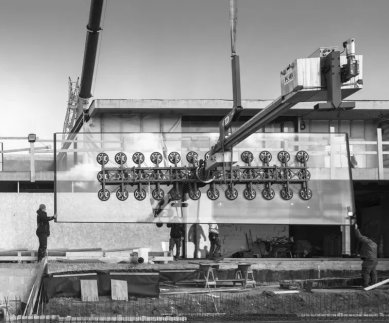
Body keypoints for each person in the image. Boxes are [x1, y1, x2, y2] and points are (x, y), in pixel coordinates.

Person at [354, 222, 378, 287]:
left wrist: (356, 228)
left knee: (365, 272)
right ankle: (374, 284)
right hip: (374, 260)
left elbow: (359, 237)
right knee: (373, 272)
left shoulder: (368, 242)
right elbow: (366, 250)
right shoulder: (374, 244)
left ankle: (365, 285)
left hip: (368, 260)